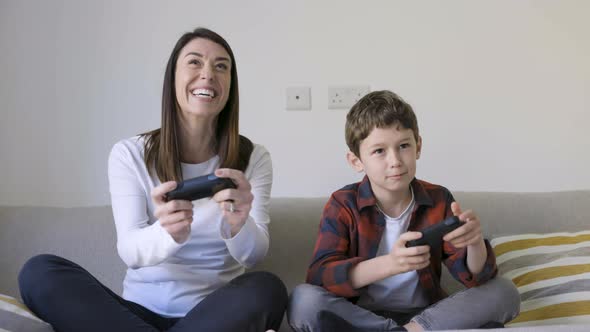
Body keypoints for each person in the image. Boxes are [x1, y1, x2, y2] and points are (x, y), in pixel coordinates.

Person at [18, 27, 287, 332]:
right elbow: (131, 251)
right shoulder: (129, 154)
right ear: (173, 78)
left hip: (215, 315)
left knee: (267, 288)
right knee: (39, 272)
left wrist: (239, 225)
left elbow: (253, 256)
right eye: (195, 62)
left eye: (221, 66)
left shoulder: (254, 157)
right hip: (136, 315)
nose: (208, 74)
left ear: (230, 86)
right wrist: (166, 233)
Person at [288, 90, 520, 331]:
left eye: (404, 146)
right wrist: (390, 264)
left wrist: (474, 244)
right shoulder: (343, 203)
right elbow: (320, 277)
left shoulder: (438, 199)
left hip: (425, 318)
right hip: (359, 316)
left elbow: (477, 278)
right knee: (302, 300)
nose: (395, 160)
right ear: (356, 161)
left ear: (418, 146)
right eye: (379, 151)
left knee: (504, 292)